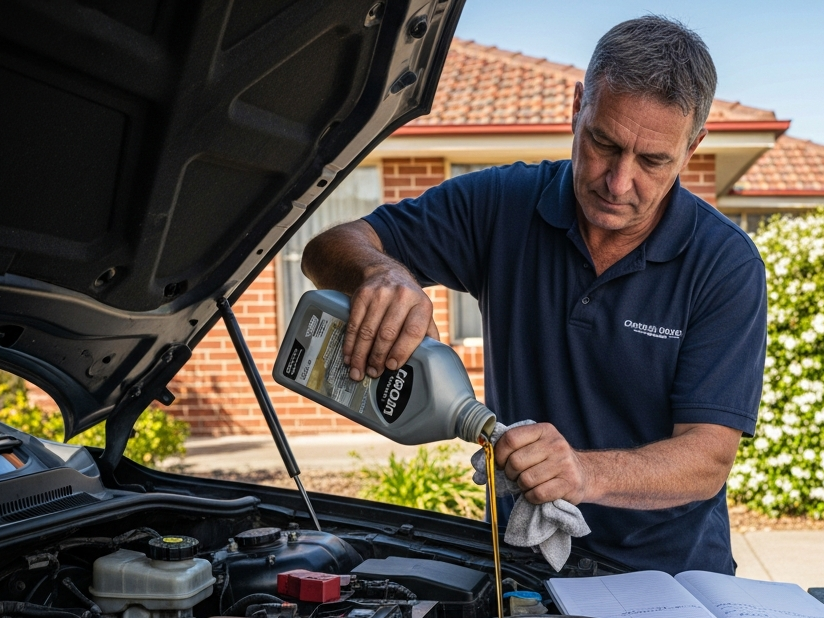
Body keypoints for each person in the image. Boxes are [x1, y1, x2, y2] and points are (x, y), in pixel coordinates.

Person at [302, 16, 766, 575]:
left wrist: (583, 473)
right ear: (577, 108)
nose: (618, 182)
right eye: (603, 143)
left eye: (652, 161)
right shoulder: (502, 205)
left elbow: (706, 458)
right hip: (522, 568)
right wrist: (379, 272)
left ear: (693, 147)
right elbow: (328, 247)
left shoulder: (724, 263)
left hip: (672, 579)